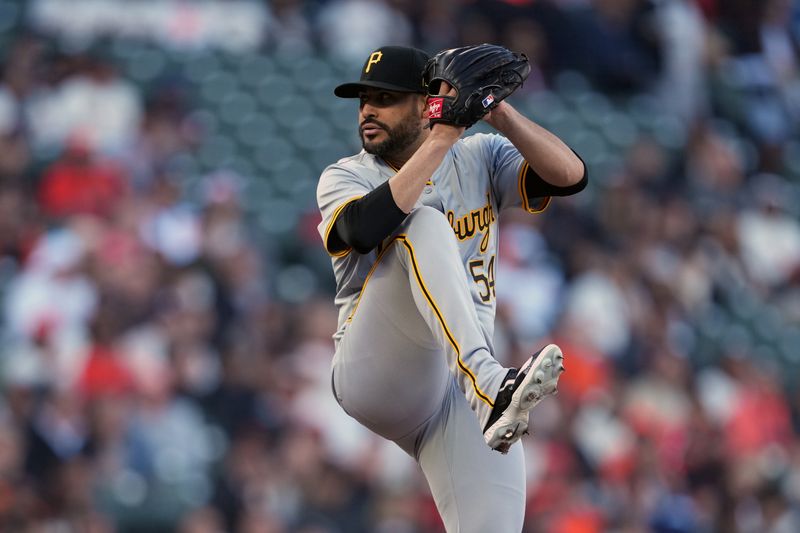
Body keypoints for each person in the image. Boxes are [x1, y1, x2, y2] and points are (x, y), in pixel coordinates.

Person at [316, 45, 587, 531]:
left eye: (385, 98)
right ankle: (489, 383)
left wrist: (497, 112)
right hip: (380, 372)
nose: (367, 111)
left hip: (455, 392)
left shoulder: (478, 155)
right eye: (363, 100)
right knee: (421, 221)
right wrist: (441, 136)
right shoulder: (346, 174)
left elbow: (570, 176)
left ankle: (487, 389)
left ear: (426, 103)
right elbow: (360, 230)